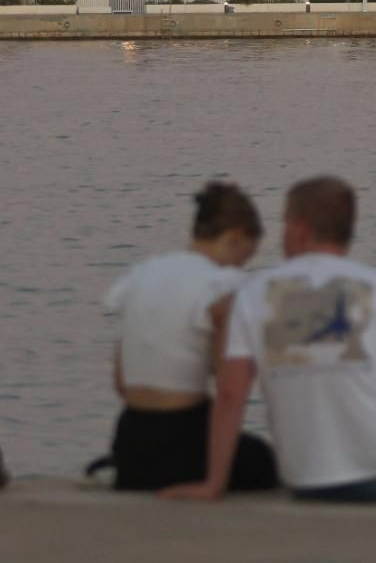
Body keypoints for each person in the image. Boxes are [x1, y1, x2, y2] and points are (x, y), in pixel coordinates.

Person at [164, 176, 376, 503]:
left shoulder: (252, 294)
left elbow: (231, 395)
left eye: (285, 224)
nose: (282, 236)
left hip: (306, 480)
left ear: (301, 229)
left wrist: (213, 484)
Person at [101, 182, 278, 492]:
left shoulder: (142, 274)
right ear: (235, 237)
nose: (243, 266)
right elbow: (229, 393)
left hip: (129, 442)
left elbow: (121, 381)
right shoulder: (224, 285)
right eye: (245, 257)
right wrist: (214, 484)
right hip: (183, 438)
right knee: (263, 459)